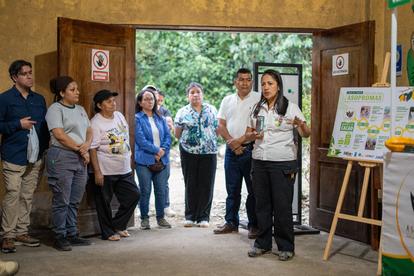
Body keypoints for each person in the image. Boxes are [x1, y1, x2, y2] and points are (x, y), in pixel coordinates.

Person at [246, 70, 310, 261]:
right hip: (259, 161)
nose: (266, 87)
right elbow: (249, 133)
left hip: (282, 162)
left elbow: (306, 133)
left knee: (282, 206)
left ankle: (286, 246)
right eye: (263, 84)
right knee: (262, 205)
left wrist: (300, 125)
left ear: (278, 86)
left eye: (270, 84)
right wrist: (251, 136)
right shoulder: (256, 108)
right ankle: (262, 244)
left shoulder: (291, 108)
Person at [0, 60, 49, 253]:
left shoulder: (39, 99)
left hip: (35, 156)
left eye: (31, 72)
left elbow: (44, 127)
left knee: (27, 196)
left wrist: (44, 149)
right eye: (25, 74)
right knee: (13, 194)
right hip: (14, 154)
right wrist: (17, 125)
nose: (30, 76)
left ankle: (22, 231)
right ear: (14, 77)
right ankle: (8, 236)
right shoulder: (4, 99)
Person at [45, 76, 93, 251]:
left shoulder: (80, 109)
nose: (77, 92)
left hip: (80, 157)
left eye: (77, 89)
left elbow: (89, 130)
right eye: (72, 89)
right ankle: (59, 236)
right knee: (62, 200)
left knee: (74, 200)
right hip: (62, 156)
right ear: (61, 93)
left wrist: (86, 146)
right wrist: (81, 150)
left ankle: (72, 233)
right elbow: (59, 135)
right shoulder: (55, 109)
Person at [214, 68, 260, 238]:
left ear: (252, 82)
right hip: (231, 151)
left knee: (253, 190)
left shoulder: (258, 99)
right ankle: (231, 222)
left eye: (248, 80)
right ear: (235, 82)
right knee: (232, 189)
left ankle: (254, 225)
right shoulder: (227, 100)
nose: (244, 83)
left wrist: (240, 142)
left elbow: (258, 125)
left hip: (251, 150)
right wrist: (233, 145)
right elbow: (220, 125)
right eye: (241, 79)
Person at [89, 90, 140, 241]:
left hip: (123, 168)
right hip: (105, 169)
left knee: (134, 195)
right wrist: (97, 172)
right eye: (109, 101)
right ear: (99, 105)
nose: (113, 103)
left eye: (113, 100)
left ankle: (118, 224)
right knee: (103, 202)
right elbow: (92, 148)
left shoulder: (119, 116)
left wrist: (129, 158)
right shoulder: (95, 122)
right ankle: (108, 232)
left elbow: (125, 137)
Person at [174, 82, 218, 228]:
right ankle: (190, 216)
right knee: (191, 183)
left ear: (202, 94)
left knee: (207, 183)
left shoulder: (211, 109)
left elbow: (217, 129)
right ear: (188, 96)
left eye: (198, 92)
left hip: (209, 152)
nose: (195, 95)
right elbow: (177, 133)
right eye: (192, 92)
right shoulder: (182, 112)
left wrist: (208, 139)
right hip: (188, 152)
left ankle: (203, 217)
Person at [135, 88, 172, 230]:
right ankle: (144, 218)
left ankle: (161, 218)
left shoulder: (161, 118)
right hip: (144, 160)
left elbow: (168, 137)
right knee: (145, 190)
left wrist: (162, 151)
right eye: (146, 99)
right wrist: (157, 151)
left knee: (161, 190)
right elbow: (141, 140)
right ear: (140, 102)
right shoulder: (137, 119)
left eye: (151, 99)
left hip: (162, 159)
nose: (149, 101)